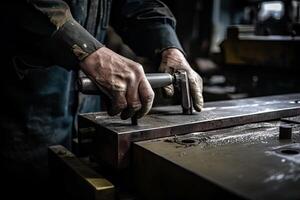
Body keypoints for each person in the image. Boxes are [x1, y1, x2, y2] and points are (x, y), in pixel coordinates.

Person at [0, 0, 203, 198]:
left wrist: (168, 46)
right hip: (21, 114)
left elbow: (135, 3)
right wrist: (91, 52)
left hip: (86, 116)